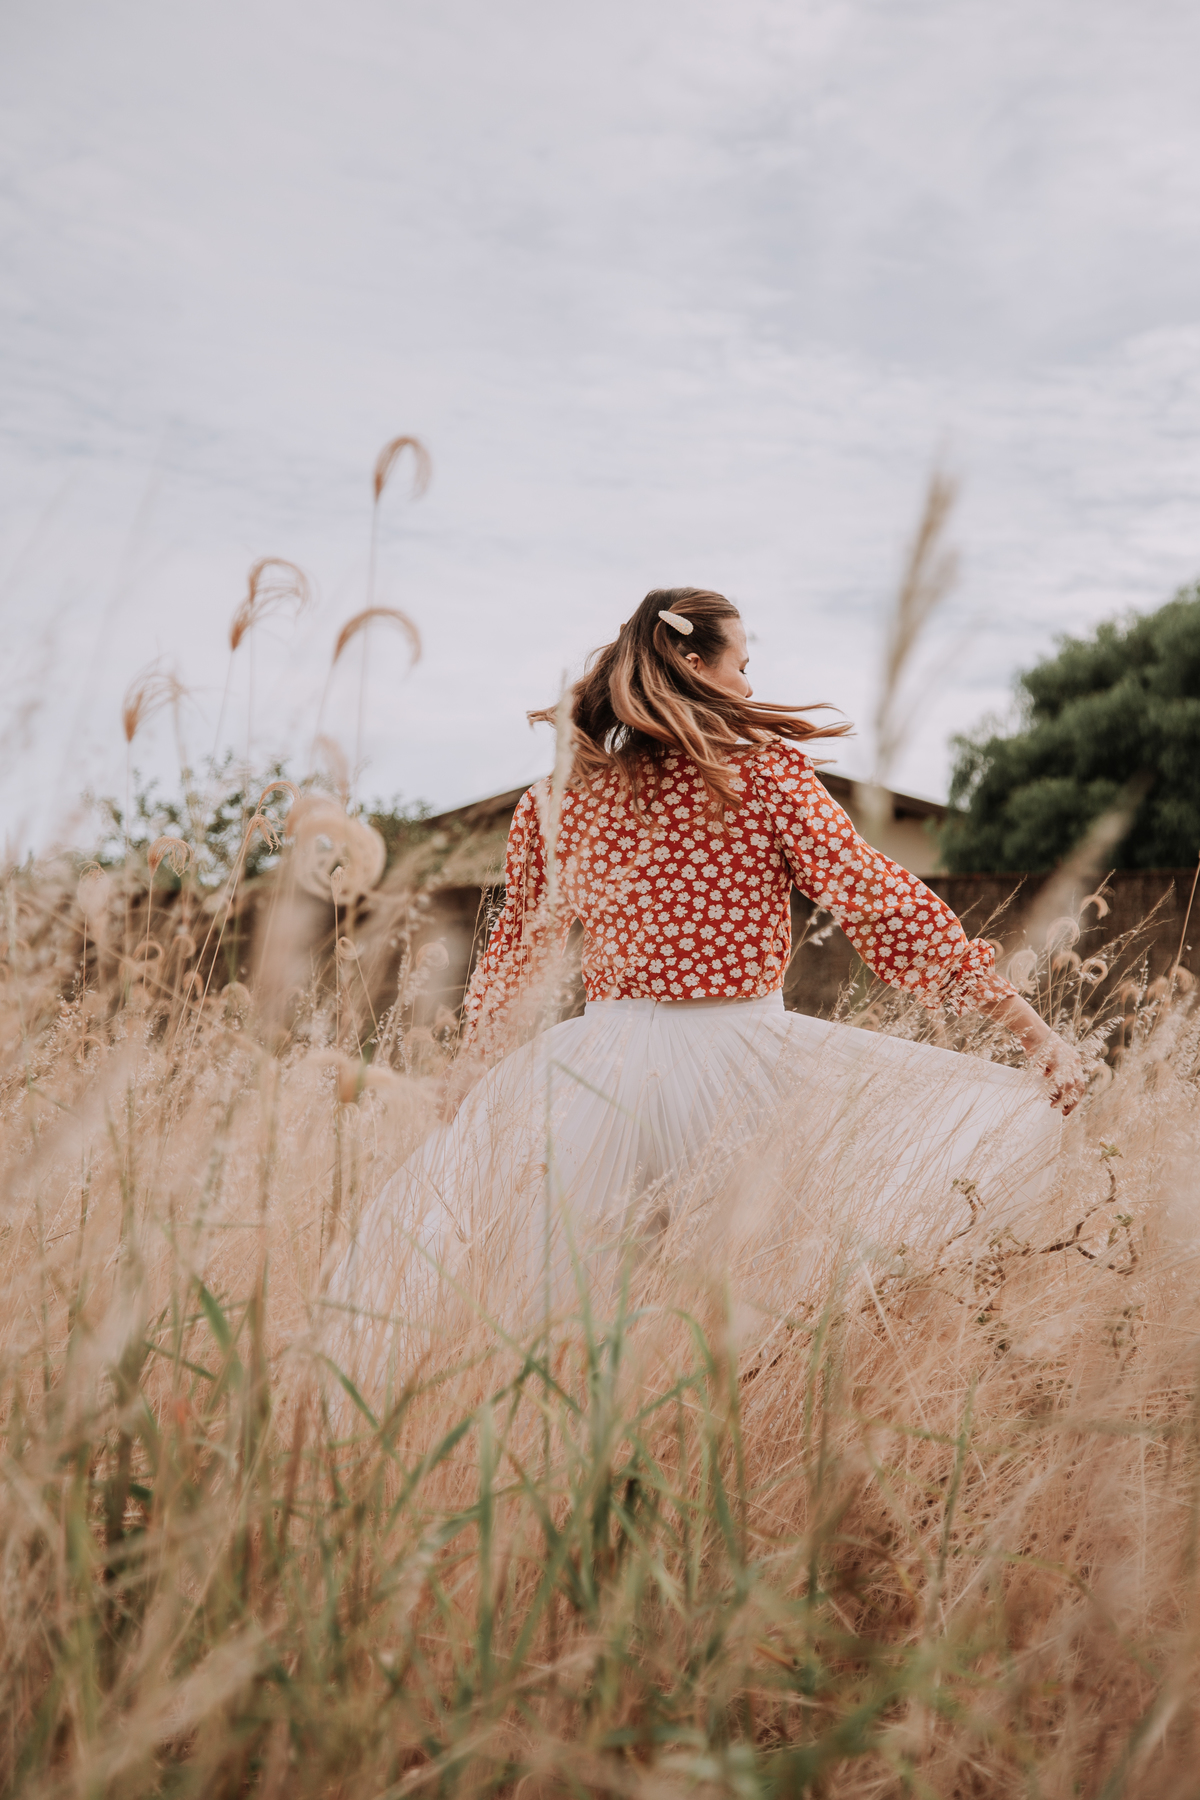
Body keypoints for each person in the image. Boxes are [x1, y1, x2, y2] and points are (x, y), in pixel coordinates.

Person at [327, 587, 1083, 1377]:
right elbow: (882, 905)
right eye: (742, 665)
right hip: (739, 1064)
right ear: (695, 663)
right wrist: (1030, 1030)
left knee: (581, 1317)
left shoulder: (557, 801)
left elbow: (516, 951)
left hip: (595, 1072)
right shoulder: (765, 776)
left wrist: (473, 1072)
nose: (750, 685)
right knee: (744, 1311)